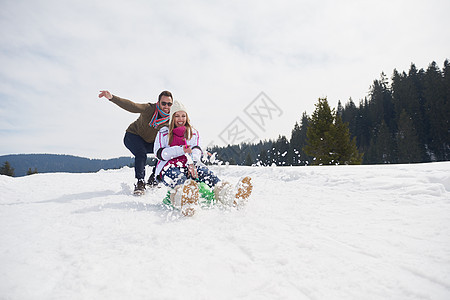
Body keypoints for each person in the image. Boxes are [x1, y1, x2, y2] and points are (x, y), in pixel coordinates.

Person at [154, 100, 252, 215]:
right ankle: (185, 200)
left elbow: (197, 149)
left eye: (183, 116)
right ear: (172, 118)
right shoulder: (164, 133)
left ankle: (229, 195)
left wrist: (193, 163)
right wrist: (181, 150)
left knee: (206, 173)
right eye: (177, 116)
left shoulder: (192, 132)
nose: (180, 119)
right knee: (177, 178)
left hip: (190, 164)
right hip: (168, 167)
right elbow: (159, 153)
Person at [98, 90, 173, 194]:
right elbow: (133, 106)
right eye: (163, 103)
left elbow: (182, 126)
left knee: (165, 152)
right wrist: (112, 98)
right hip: (133, 136)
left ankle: (153, 178)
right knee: (141, 153)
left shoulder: (171, 119)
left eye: (169, 104)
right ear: (158, 103)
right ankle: (140, 183)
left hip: (149, 142)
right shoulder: (150, 109)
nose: (166, 106)